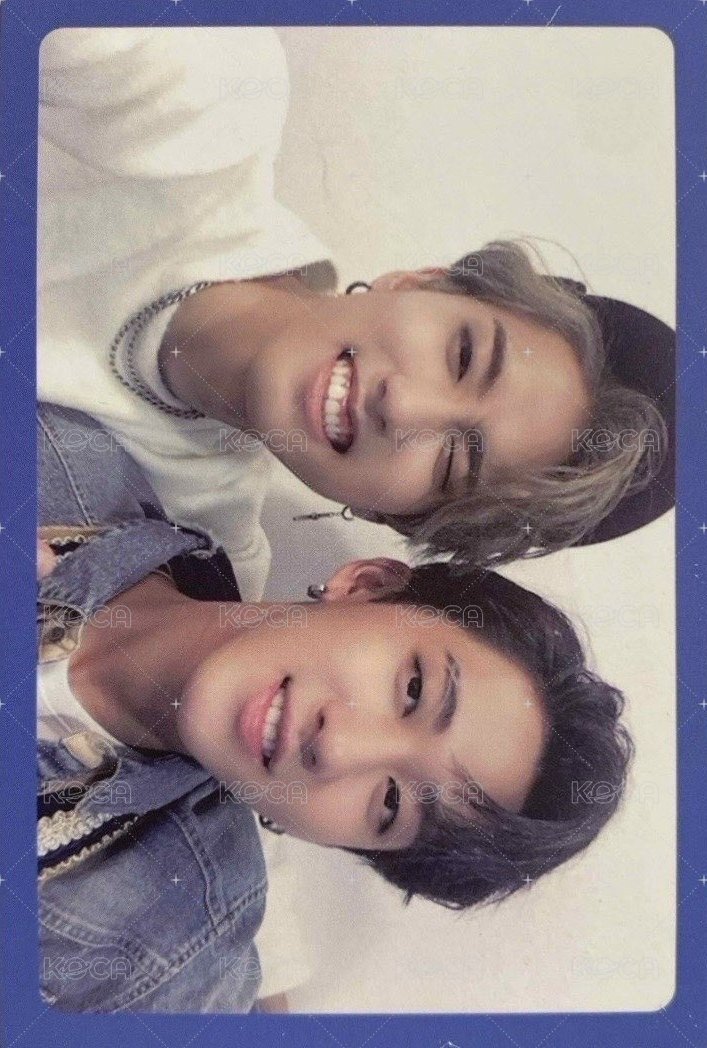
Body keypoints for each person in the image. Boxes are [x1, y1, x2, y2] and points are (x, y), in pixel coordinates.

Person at [38, 28, 675, 600]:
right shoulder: (195, 96)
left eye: (453, 461)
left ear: (385, 516)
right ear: (420, 282)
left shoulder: (189, 567)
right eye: (462, 356)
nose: (404, 407)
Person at [38, 402, 633, 1012]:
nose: (338, 748)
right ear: (367, 585)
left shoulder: (172, 964)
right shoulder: (52, 457)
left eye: (392, 803)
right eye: (413, 690)